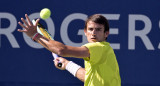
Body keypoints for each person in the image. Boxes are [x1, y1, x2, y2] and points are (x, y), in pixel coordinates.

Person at [18, 14, 121, 86]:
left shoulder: (100, 47)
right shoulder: (102, 53)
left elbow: (61, 50)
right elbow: (89, 77)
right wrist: (67, 64)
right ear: (85, 32)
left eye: (98, 29)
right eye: (90, 29)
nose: (93, 33)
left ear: (106, 33)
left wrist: (35, 35)